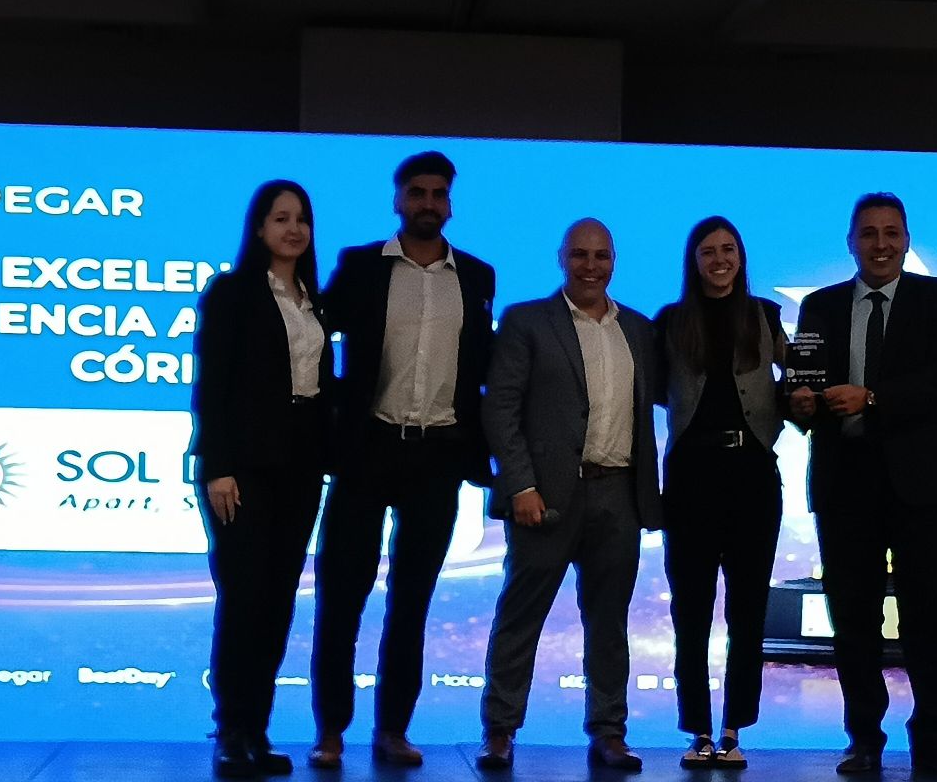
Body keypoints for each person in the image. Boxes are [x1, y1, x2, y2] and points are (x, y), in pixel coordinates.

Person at [308, 151, 496, 769]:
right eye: (417, 192)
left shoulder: (477, 276)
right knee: (341, 599)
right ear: (398, 199)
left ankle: (393, 730)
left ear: (450, 204)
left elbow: (480, 367)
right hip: (367, 450)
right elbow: (313, 340)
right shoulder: (361, 266)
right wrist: (335, 411)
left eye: (438, 193)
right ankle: (330, 732)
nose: (427, 203)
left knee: (411, 604)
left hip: (437, 457)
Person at [789, 192, 937, 777]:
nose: (880, 244)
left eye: (891, 233)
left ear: (907, 240)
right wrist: (797, 403)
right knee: (853, 622)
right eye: (868, 234)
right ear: (851, 242)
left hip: (921, 488)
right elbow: (803, 385)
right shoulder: (819, 305)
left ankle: (934, 742)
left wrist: (871, 397)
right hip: (844, 485)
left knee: (929, 619)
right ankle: (864, 739)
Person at [475, 218, 662, 772]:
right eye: (580, 255)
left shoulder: (639, 330)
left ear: (614, 261)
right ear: (562, 258)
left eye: (601, 256)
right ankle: (499, 731)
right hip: (544, 498)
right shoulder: (526, 321)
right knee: (520, 617)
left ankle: (609, 733)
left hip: (618, 495)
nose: (590, 266)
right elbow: (500, 408)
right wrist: (521, 485)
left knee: (609, 624)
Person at [191, 180, 334, 778]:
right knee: (244, 598)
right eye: (281, 218)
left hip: (300, 467)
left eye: (302, 219)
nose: (294, 229)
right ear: (258, 228)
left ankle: (257, 729)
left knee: (277, 602)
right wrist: (218, 465)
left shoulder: (313, 298)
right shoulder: (233, 292)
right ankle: (230, 731)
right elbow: (214, 383)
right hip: (242, 468)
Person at [655, 216, 788, 770]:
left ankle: (734, 729)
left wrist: (801, 402)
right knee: (691, 611)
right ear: (694, 260)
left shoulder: (767, 316)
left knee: (748, 611)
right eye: (708, 251)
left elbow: (801, 379)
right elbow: (651, 390)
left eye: (728, 249)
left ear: (741, 256)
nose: (719, 259)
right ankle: (698, 730)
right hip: (690, 477)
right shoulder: (670, 320)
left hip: (753, 476)